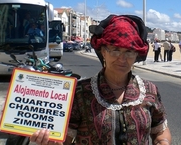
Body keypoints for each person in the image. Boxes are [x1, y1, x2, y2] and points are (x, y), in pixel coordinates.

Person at [30, 14, 171, 145]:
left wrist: (163, 141)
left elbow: (160, 129)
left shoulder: (149, 91)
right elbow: (64, 139)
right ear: (103, 51)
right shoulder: (80, 92)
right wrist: (48, 140)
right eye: (115, 50)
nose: (122, 59)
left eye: (129, 51)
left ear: (136, 55)